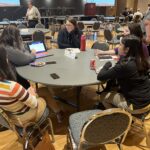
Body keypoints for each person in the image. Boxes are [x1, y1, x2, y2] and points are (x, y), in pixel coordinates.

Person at [0, 45, 62, 124]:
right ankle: (58, 112)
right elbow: (34, 104)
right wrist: (32, 94)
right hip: (27, 117)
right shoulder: (12, 86)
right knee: (44, 90)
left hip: (12, 117)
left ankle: (58, 112)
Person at [97, 35, 150, 110]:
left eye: (120, 45)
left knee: (103, 96)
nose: (118, 47)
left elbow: (101, 76)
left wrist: (106, 65)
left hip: (135, 105)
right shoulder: (141, 60)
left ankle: (119, 117)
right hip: (146, 100)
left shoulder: (125, 65)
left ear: (127, 49)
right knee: (115, 87)